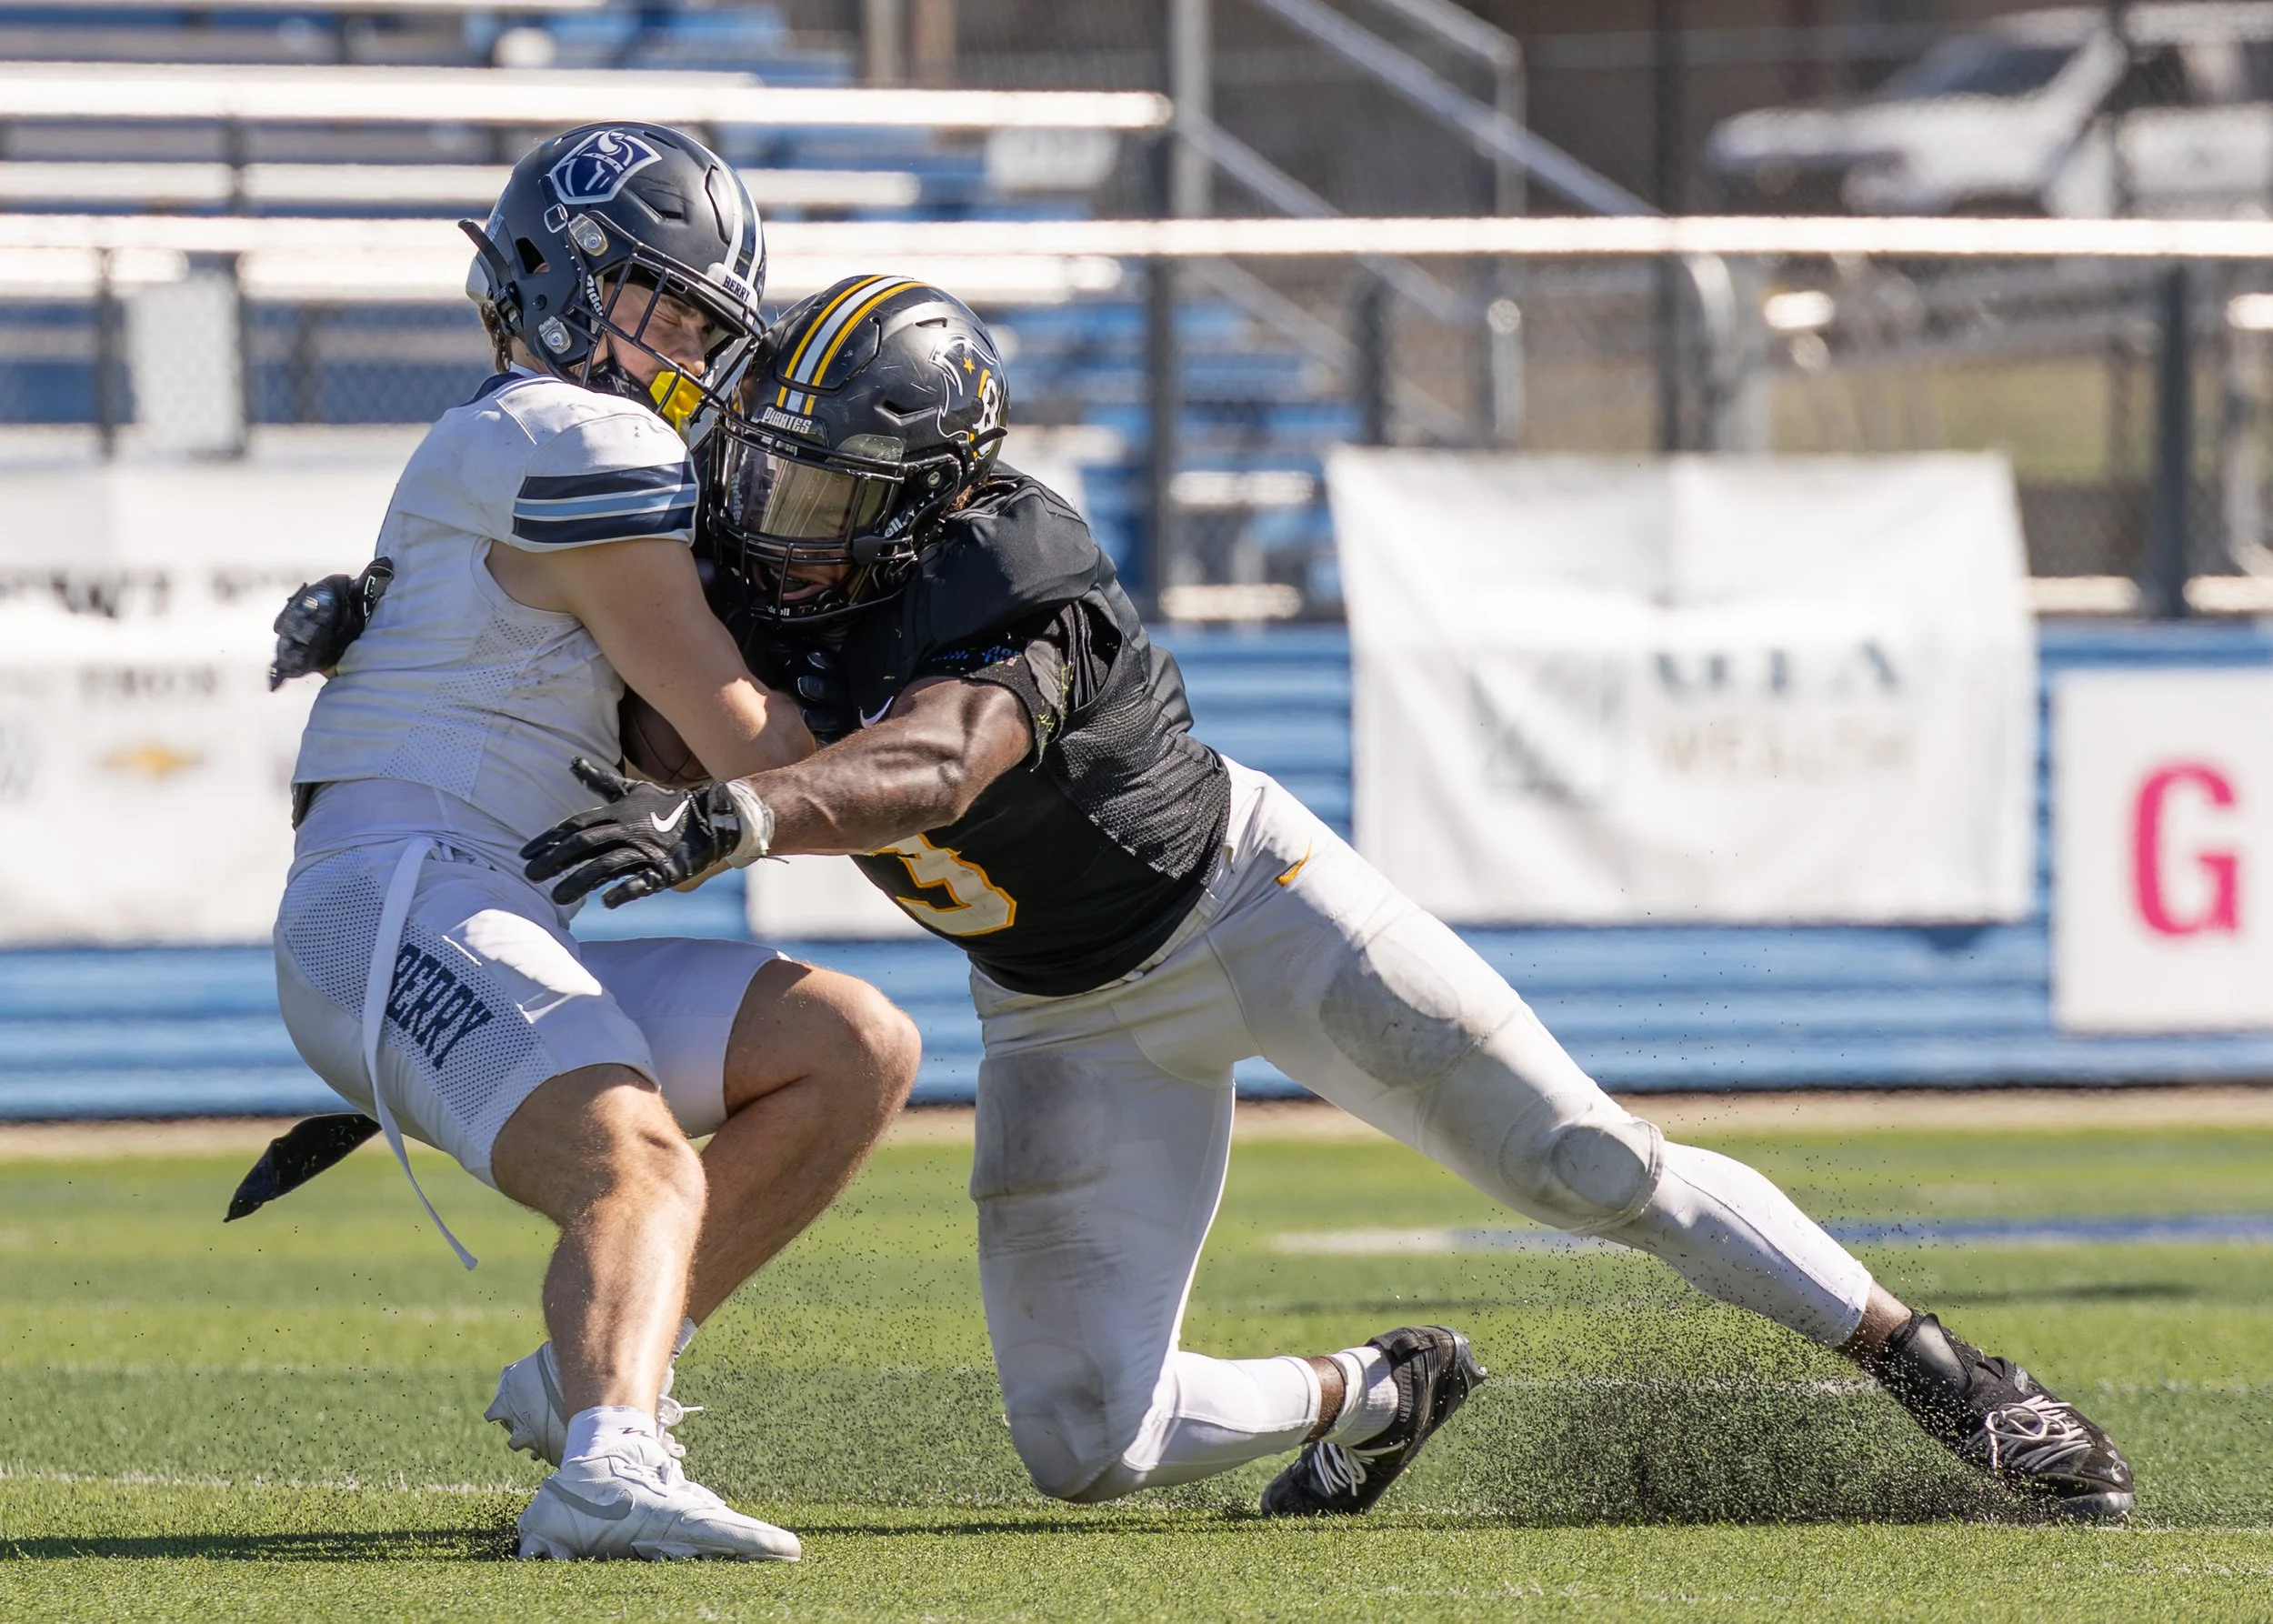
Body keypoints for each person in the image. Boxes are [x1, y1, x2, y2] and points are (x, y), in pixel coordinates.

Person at [509, 276, 2129, 1524]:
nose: (782, 527)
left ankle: (1942, 1372)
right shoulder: (745, 531)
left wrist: (738, 813)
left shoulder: (1018, 562)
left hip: (1250, 906)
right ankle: (1372, 1391)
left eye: (827, 493)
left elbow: (936, 761)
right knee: (1081, 1442)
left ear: (929, 486)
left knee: (1586, 1161)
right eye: (774, 480)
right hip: (1062, 1009)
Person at [269, 131, 919, 1562]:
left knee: (850, 1047)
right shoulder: (577, 438)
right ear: (562, 279)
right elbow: (754, 748)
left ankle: (590, 1373)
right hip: (392, 901)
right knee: (637, 1157)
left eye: (705, 327)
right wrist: (953, 728)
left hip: (492, 899)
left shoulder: (545, 445)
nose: (686, 355)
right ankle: (607, 1461)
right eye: (666, 309)